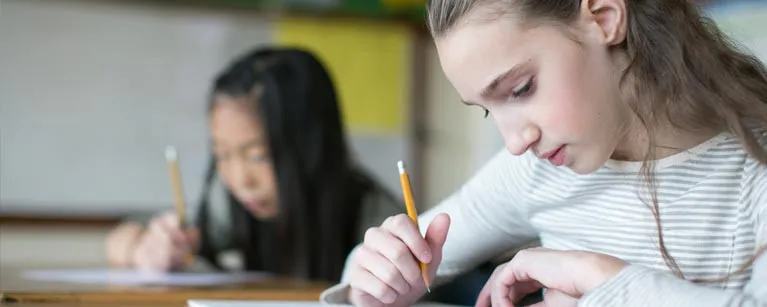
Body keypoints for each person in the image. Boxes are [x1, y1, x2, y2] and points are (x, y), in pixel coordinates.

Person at [320, 0, 767, 305]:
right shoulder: (539, 171)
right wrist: (376, 280)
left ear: (605, 17)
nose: (515, 142)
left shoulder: (754, 167)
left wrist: (593, 277)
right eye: (486, 110)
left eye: (521, 89)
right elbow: (358, 274)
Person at [104, 47, 402, 283]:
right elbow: (120, 238)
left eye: (258, 156)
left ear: (311, 147)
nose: (239, 179)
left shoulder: (377, 220)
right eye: (222, 155)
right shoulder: (230, 202)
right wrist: (144, 248)